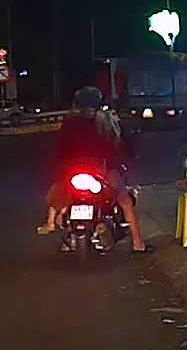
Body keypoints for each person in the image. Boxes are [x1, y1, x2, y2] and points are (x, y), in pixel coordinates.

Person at [40, 86, 149, 253]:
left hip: (72, 170)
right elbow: (121, 144)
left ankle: (57, 227)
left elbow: (60, 149)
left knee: (62, 193)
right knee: (125, 201)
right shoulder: (106, 120)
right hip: (101, 170)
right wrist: (131, 155)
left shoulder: (69, 122)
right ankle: (138, 243)